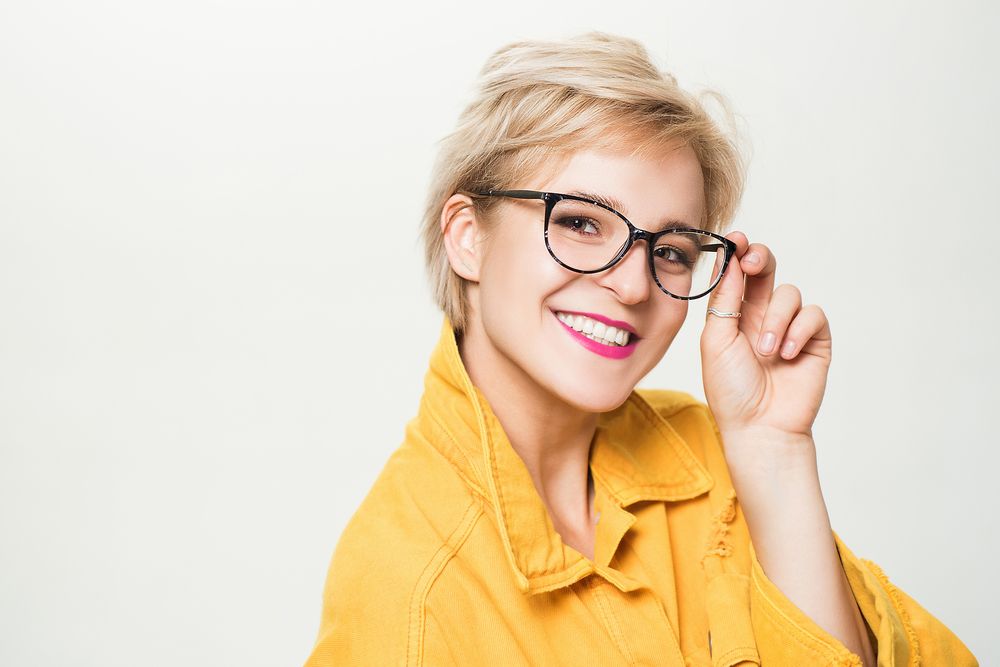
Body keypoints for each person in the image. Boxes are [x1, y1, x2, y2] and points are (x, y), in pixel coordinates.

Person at [303, 32, 978, 666]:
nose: (631, 284)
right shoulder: (408, 593)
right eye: (579, 222)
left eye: (672, 250)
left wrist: (774, 451)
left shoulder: (706, 454)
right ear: (466, 236)